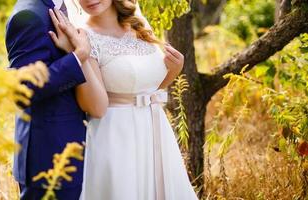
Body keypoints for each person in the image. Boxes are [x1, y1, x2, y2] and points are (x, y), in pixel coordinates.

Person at [47, 0, 200, 199]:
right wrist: (78, 56)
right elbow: (95, 107)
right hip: (115, 138)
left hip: (155, 130)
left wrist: (174, 70)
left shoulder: (139, 23)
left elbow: (148, 87)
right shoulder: (84, 37)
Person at [5, 0, 105, 199]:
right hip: (48, 164)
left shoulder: (56, 7)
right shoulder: (28, 15)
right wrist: (78, 56)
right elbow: (21, 90)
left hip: (68, 157)